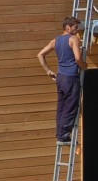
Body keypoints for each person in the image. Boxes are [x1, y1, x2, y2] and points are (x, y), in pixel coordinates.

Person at [37, 16, 87, 144]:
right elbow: (77, 57)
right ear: (68, 27)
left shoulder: (55, 40)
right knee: (70, 106)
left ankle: (59, 134)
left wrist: (48, 71)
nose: (77, 30)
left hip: (60, 77)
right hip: (71, 78)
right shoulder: (74, 39)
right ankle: (64, 135)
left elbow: (40, 55)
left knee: (61, 106)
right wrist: (84, 66)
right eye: (75, 27)